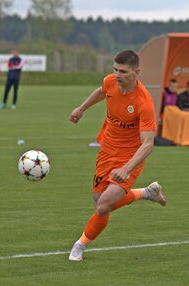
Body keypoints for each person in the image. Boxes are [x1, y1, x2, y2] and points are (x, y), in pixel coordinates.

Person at [68, 50, 167, 261]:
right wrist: (82, 108)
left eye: (123, 71)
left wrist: (126, 168)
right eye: (115, 69)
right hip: (107, 150)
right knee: (99, 202)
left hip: (130, 157)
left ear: (136, 72)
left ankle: (80, 245)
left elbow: (148, 145)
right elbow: (102, 91)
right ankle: (147, 193)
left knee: (103, 207)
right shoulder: (110, 82)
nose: (117, 75)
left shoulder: (144, 102)